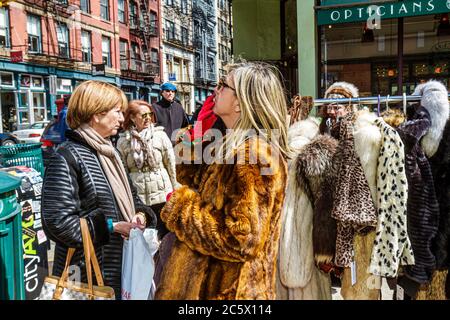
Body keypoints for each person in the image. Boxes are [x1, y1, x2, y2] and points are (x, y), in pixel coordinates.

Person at [155, 62, 289, 300]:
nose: (215, 91)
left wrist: (180, 208)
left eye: (223, 86)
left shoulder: (255, 155)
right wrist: (195, 136)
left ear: (240, 102)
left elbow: (240, 240)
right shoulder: (229, 145)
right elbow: (191, 181)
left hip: (228, 293)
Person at [41, 80, 156, 299]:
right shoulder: (67, 156)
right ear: (96, 114)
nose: (123, 119)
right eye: (117, 112)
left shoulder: (111, 153)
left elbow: (134, 199)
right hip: (85, 277)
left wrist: (141, 215)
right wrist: (111, 226)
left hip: (121, 271)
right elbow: (57, 222)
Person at [117, 100, 180, 240]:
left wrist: (175, 186)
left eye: (150, 114)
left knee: (165, 234)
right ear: (132, 118)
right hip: (139, 195)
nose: (148, 118)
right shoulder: (124, 141)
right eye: (143, 115)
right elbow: (123, 171)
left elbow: (170, 163)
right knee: (143, 236)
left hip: (162, 192)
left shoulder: (160, 136)